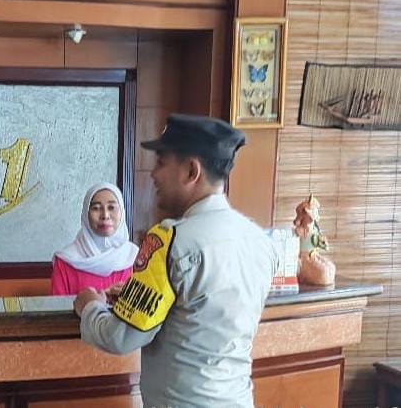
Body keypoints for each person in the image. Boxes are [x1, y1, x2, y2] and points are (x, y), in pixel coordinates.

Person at [74, 114, 277, 407]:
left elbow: (121, 337)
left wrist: (89, 306)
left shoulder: (169, 241)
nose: (153, 174)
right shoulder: (259, 240)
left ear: (191, 171)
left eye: (160, 163)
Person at [51, 183, 138, 295]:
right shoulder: (66, 260)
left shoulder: (135, 258)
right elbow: (57, 305)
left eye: (111, 207)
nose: (105, 215)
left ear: (122, 212)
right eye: (96, 208)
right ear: (86, 215)